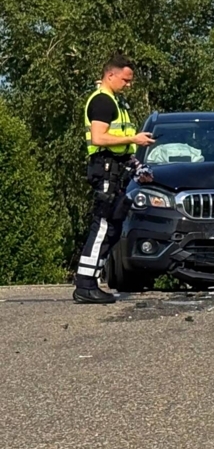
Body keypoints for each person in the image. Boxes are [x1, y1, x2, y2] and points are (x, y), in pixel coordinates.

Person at [73, 54, 155, 304]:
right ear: (111, 75)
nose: (128, 85)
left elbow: (121, 150)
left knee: (113, 226)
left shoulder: (115, 103)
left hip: (115, 170)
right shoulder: (102, 102)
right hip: (105, 170)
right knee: (104, 226)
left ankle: (91, 280)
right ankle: (85, 285)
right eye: (125, 80)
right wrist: (134, 139)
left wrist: (138, 168)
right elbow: (99, 138)